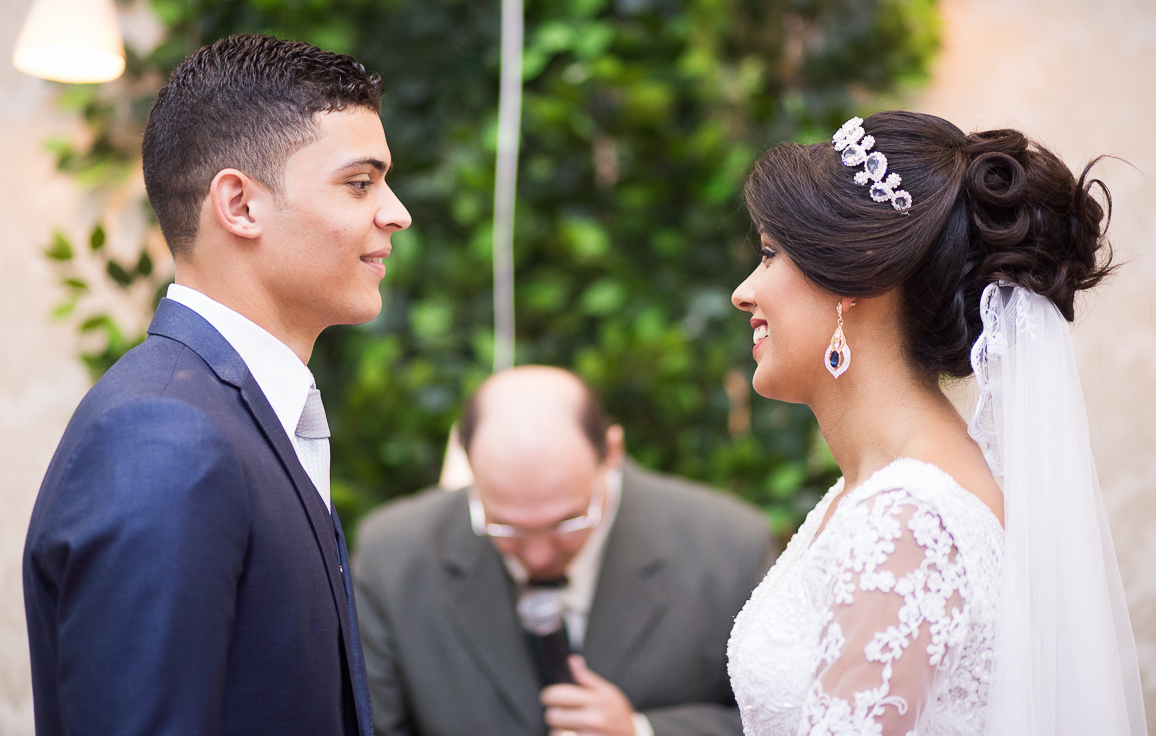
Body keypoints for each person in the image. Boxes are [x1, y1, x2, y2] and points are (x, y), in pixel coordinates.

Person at [22, 34, 411, 735]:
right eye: (360, 183)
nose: (396, 212)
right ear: (240, 205)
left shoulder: (226, 414)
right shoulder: (165, 437)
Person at [726, 111, 1146, 735]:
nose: (743, 292)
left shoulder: (909, 521)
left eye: (769, 255)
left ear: (855, 272)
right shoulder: (881, 488)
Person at [353, 365, 774, 736]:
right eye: (505, 526)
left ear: (611, 452)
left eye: (567, 523)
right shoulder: (393, 558)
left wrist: (641, 731)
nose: (537, 556)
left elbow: (782, 724)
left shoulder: (728, 548)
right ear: (469, 465)